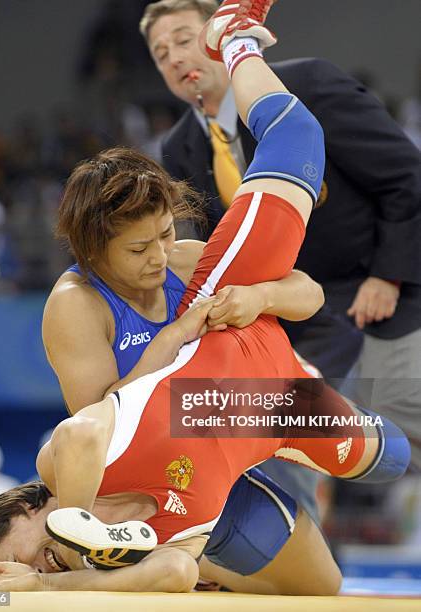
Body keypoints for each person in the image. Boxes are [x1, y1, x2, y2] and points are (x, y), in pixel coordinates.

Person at [0, 0, 410, 593]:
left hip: (230, 399)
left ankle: (236, 39)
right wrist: (171, 338)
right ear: (95, 253)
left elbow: (309, 293)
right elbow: (109, 413)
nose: (157, 257)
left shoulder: (181, 261)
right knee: (326, 573)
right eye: (138, 250)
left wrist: (259, 296)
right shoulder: (76, 302)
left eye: (164, 235)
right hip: (215, 440)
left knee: (391, 455)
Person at [140, 0, 421, 476]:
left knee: (398, 429)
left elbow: (406, 177)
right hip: (286, 317)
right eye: (161, 53)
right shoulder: (179, 147)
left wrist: (386, 275)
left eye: (185, 40)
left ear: (215, 37)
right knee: (272, 457)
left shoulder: (308, 84)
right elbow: (211, 252)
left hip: (378, 296)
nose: (175, 59)